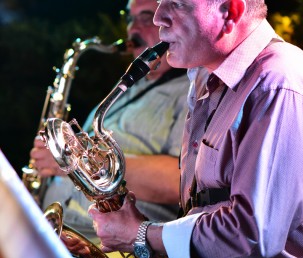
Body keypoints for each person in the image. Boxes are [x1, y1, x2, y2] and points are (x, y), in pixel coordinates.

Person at [89, 0, 303, 258]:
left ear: (230, 11)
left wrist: (142, 235)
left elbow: (255, 236)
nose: (158, 17)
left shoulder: (279, 82)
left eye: (175, 4)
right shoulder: (208, 79)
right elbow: (209, 219)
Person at [29, 0, 189, 241]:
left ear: (169, 22)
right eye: (130, 18)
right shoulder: (128, 84)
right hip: (54, 226)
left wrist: (74, 162)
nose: (133, 29)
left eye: (146, 17)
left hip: (108, 244)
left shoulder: (191, 91)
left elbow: (181, 182)